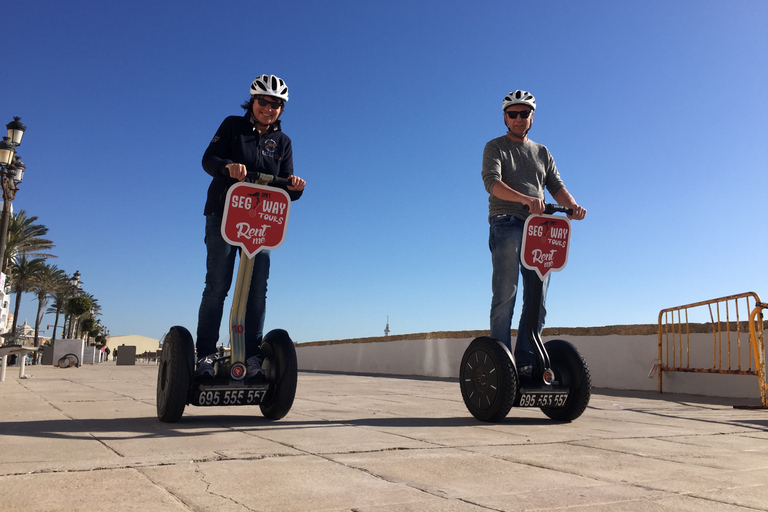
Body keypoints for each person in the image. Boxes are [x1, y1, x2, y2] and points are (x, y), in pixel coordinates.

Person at [196, 74, 306, 379]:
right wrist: (226, 166)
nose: (268, 108)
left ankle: (252, 356)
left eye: (276, 105)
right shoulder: (232, 126)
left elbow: (285, 185)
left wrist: (296, 187)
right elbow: (208, 159)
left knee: (257, 289)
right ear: (252, 102)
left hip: (262, 223)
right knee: (217, 284)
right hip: (224, 215)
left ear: (282, 110)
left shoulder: (282, 142)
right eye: (263, 102)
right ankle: (205, 352)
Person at [481, 90, 586, 378]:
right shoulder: (495, 147)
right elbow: (492, 183)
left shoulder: (542, 152)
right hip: (507, 222)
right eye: (512, 114)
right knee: (506, 292)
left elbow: (556, 186)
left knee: (537, 297)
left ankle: (527, 360)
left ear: (532, 117)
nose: (518, 118)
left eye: (523, 113)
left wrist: (573, 206)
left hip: (539, 228)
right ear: (505, 117)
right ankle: (501, 363)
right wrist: (524, 199)